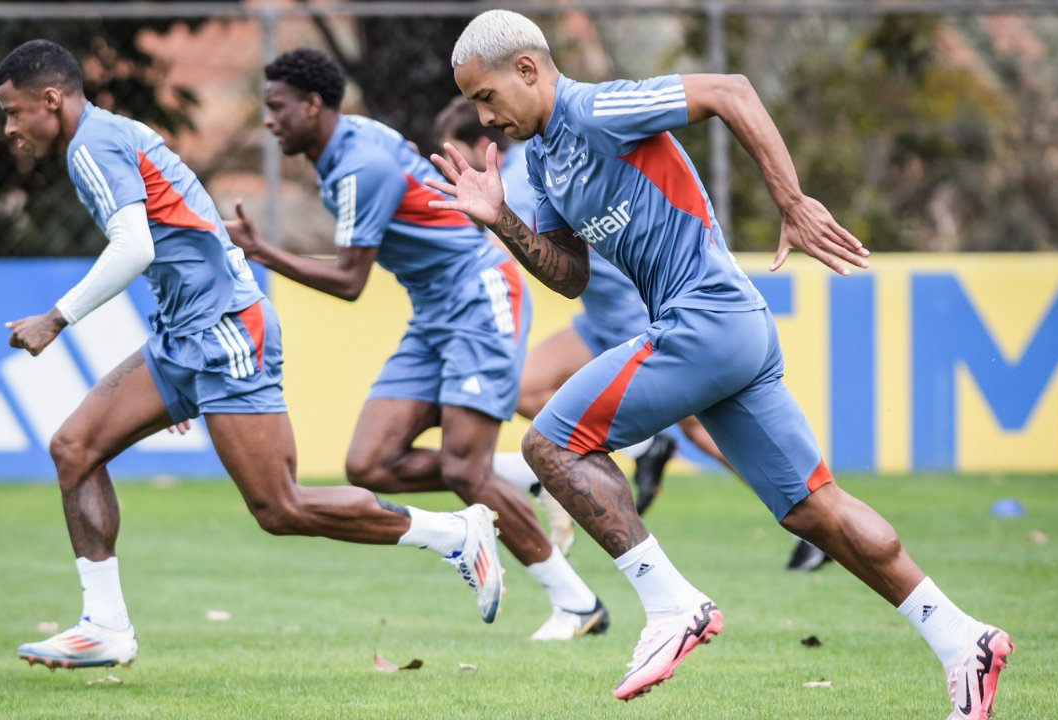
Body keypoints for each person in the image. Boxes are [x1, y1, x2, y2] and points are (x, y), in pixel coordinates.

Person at [428, 10, 1011, 716]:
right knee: (814, 511)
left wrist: (792, 203)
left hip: (705, 318)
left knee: (550, 442)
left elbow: (730, 90)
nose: (484, 118)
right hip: (727, 331)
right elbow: (571, 276)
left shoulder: (600, 107)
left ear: (527, 69)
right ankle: (963, 641)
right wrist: (504, 223)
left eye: (486, 97)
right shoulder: (546, 165)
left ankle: (672, 606)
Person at [0, 39, 507, 671]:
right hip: (188, 334)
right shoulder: (106, 136)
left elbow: (134, 248)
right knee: (74, 449)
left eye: (15, 112)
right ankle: (104, 625)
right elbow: (185, 237)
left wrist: (55, 318)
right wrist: (174, 369)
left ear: (51, 100)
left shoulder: (92, 145)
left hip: (225, 332)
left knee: (280, 507)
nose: (10, 128)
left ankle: (456, 534)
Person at [224, 48, 607, 642]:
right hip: (435, 312)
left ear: (313, 105)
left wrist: (262, 252)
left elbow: (350, 282)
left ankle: (577, 604)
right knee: (370, 463)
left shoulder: (358, 166)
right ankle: (529, 475)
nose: (269, 120)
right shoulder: (347, 144)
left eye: (276, 108)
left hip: (479, 296)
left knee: (463, 470)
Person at [433, 96, 830, 571]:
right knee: (524, 386)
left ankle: (806, 517)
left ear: (482, 147)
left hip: (633, 312)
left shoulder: (517, 176)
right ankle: (640, 447)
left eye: (458, 156)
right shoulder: (534, 165)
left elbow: (501, 249)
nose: (456, 174)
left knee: (704, 430)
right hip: (598, 319)